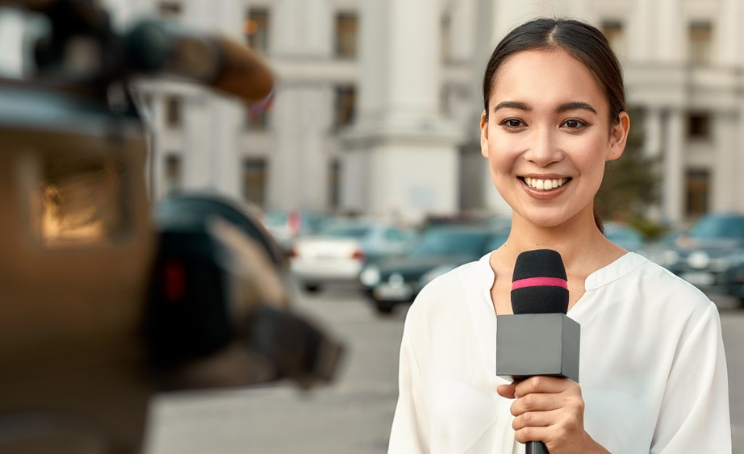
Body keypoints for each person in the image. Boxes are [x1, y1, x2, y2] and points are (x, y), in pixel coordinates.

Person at [387, 17, 731, 454]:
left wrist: (581, 447)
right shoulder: (438, 307)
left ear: (615, 135)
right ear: (485, 134)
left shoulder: (678, 317)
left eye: (572, 123)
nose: (543, 152)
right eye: (514, 122)